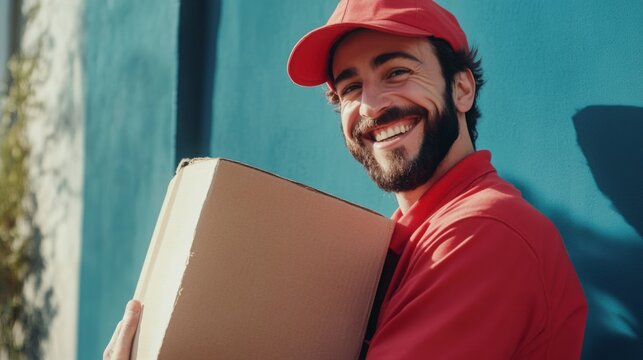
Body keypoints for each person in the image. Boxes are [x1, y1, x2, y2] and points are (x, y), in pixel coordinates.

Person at [105, 0, 587, 359]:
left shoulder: (483, 230)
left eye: (396, 71)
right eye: (351, 87)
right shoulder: (397, 247)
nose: (371, 105)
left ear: (461, 88)